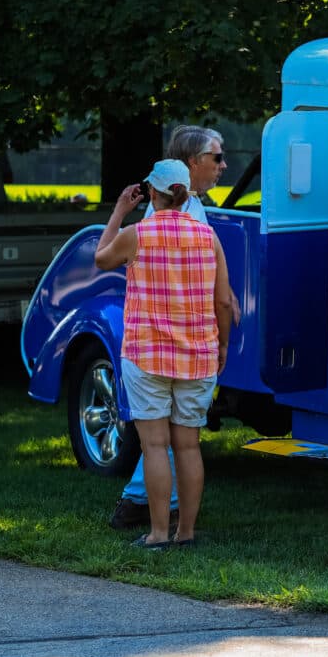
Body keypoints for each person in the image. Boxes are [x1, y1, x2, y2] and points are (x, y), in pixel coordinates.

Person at [95, 159, 232, 548]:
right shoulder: (209, 237)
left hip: (146, 354)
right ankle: (186, 532)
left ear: (152, 194)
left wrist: (120, 210)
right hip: (198, 356)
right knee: (188, 445)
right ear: (186, 193)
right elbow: (222, 301)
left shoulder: (137, 234)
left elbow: (101, 257)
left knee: (155, 446)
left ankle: (157, 534)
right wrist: (220, 345)